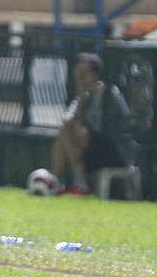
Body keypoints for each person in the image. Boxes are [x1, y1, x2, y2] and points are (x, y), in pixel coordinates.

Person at [51, 52, 134, 194]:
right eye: (78, 73)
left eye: (84, 73)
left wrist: (78, 121)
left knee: (70, 129)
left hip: (111, 149)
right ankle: (63, 180)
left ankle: (68, 180)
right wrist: (81, 97)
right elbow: (67, 119)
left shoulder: (108, 93)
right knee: (67, 129)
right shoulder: (83, 95)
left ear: (96, 74)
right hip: (87, 148)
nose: (80, 77)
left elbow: (99, 127)